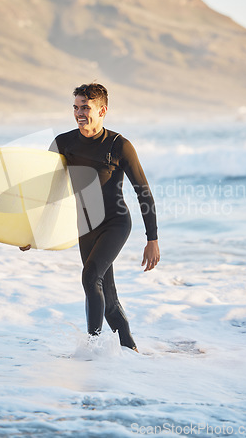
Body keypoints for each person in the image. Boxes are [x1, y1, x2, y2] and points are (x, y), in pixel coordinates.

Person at [20, 83, 160, 352]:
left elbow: (143, 192)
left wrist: (152, 239)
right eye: (75, 107)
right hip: (85, 224)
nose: (78, 112)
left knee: (89, 278)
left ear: (102, 110)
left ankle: (92, 349)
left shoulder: (120, 145)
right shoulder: (63, 142)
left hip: (115, 222)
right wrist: (32, 233)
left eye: (85, 107)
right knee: (106, 295)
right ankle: (130, 351)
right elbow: (51, 194)